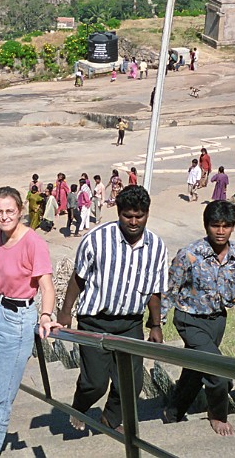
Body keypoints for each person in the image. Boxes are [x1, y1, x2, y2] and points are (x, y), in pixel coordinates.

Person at [57, 185, 167, 433]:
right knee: (94, 383)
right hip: (95, 320)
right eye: (128, 215)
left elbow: (155, 289)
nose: (134, 221)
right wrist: (65, 312)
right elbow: (79, 277)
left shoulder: (157, 247)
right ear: (118, 213)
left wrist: (156, 324)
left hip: (130, 323)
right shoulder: (96, 239)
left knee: (131, 383)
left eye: (139, 216)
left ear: (147, 214)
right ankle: (80, 407)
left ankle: (110, 419)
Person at [0, 186, 57, 458]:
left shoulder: (33, 243)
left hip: (17, 320)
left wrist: (45, 316)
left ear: (20, 211)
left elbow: (47, 287)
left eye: (10, 211)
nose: (4, 217)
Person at [160, 200, 235, 436]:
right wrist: (158, 324)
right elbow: (168, 288)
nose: (220, 231)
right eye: (215, 225)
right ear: (206, 225)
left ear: (233, 227)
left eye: (226, 226)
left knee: (196, 370)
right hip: (189, 319)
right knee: (217, 371)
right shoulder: (190, 254)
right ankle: (217, 415)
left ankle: (173, 413)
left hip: (217, 322)